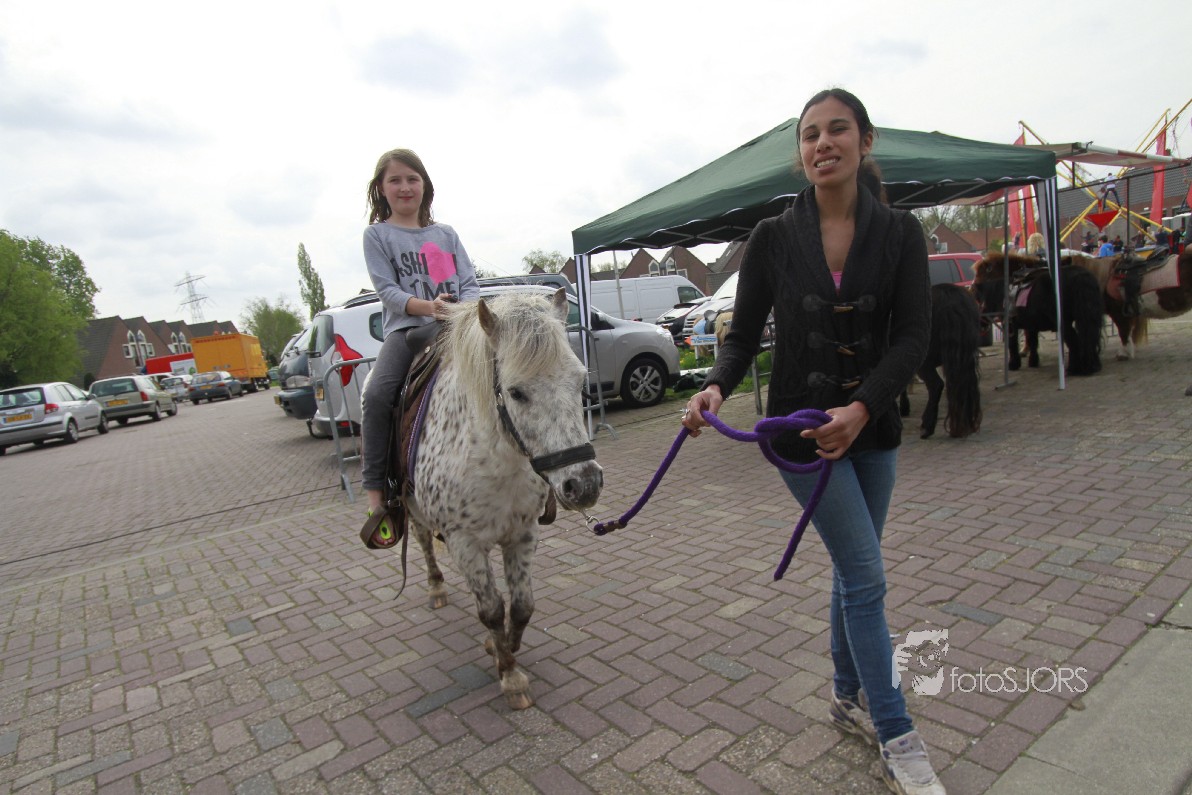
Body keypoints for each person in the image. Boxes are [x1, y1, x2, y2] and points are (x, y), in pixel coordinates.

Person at [681, 88, 945, 795]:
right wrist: (716, 387)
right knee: (866, 576)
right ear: (800, 153)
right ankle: (896, 732)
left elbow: (913, 337)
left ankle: (846, 693)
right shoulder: (772, 237)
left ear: (865, 140)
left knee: (854, 570)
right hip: (802, 436)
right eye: (809, 135)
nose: (822, 143)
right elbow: (742, 335)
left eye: (837, 130)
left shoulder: (901, 232)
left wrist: (860, 408)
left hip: (874, 429)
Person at [359, 148, 479, 547]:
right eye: (395, 180)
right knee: (377, 396)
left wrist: (460, 311)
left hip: (455, 328)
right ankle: (379, 496)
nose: (405, 187)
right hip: (407, 333)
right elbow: (388, 292)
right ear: (381, 188)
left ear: (424, 185)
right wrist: (430, 308)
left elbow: (469, 283)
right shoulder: (377, 235)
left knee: (505, 377)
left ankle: (536, 477)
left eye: (412, 178)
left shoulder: (445, 235)